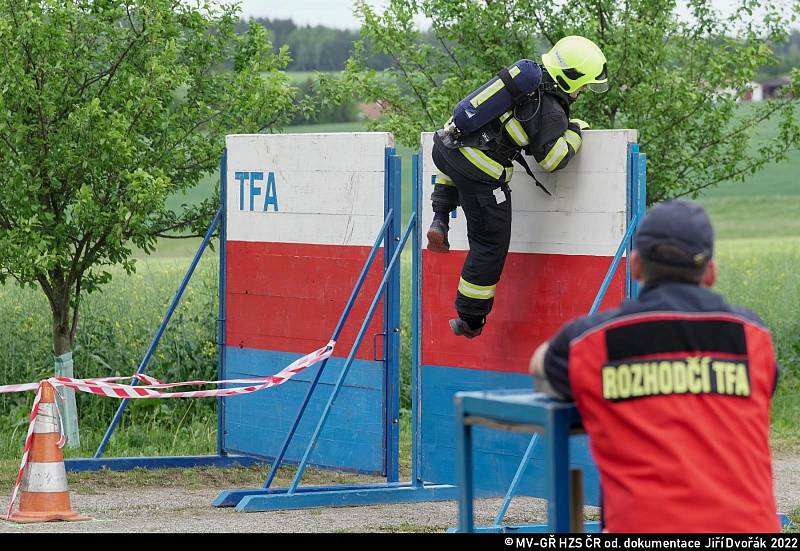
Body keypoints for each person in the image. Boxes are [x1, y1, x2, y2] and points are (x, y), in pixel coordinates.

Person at [529, 200, 781, 532]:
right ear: (711, 272)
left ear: (635, 265)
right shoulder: (754, 337)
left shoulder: (592, 340)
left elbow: (540, 367)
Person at [428, 35, 608, 339]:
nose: (584, 90)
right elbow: (551, 159)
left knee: (455, 169)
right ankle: (470, 319)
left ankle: (440, 218)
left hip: (445, 147)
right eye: (583, 84)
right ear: (568, 77)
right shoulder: (550, 109)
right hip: (479, 171)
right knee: (490, 243)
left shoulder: (527, 81)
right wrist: (576, 131)